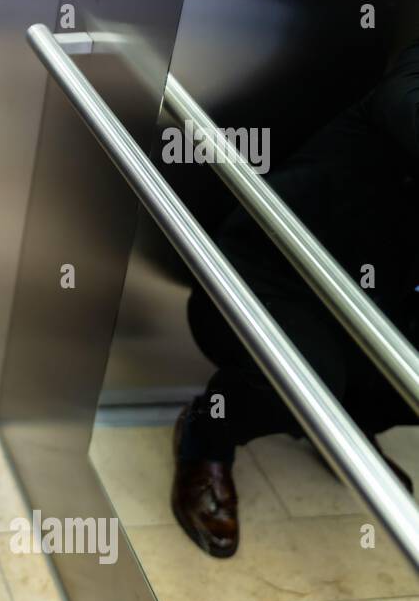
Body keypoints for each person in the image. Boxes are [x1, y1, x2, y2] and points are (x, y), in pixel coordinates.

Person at [173, 41, 419, 558]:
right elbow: (403, 100)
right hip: (275, 269)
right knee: (303, 379)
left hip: (378, 296)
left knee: (390, 376)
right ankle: (206, 435)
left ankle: (344, 432)